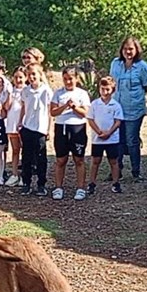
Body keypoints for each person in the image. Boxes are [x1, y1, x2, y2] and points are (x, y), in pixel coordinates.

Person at [108, 37, 147, 181]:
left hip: (134, 109)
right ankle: (116, 170)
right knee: (117, 140)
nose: (128, 52)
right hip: (116, 109)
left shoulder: (142, 66)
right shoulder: (115, 64)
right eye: (126, 48)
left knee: (132, 141)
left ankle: (136, 171)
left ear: (136, 50)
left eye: (131, 49)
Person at [50, 66, 91, 201]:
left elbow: (86, 113)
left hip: (77, 128)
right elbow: (53, 112)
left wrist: (74, 107)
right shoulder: (58, 93)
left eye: (71, 79)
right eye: (65, 79)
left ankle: (80, 188)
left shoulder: (82, 94)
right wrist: (64, 106)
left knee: (78, 159)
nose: (68, 82)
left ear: (76, 79)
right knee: (61, 159)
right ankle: (58, 187)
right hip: (61, 127)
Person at [18, 62, 53, 196]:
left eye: (34, 74)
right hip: (28, 127)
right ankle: (26, 183)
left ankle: (41, 184)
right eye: (29, 74)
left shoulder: (46, 91)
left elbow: (49, 111)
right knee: (26, 157)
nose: (31, 77)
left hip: (40, 128)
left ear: (39, 75)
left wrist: (49, 129)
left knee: (40, 158)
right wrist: (20, 122)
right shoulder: (26, 91)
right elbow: (23, 107)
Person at [86, 76, 124, 194]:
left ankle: (116, 183)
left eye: (107, 89)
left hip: (112, 139)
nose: (105, 92)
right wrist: (98, 132)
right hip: (97, 139)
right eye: (102, 89)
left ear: (112, 90)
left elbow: (118, 121)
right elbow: (90, 119)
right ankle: (91, 183)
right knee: (95, 161)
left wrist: (109, 132)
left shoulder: (116, 105)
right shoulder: (94, 104)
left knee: (113, 161)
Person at [4, 67, 25, 186]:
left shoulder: (27, 91)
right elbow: (7, 107)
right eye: (16, 77)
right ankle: (14, 174)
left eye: (21, 77)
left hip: (23, 123)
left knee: (25, 150)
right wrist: (10, 95)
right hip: (12, 122)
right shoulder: (11, 91)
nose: (18, 80)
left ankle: (24, 175)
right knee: (15, 150)